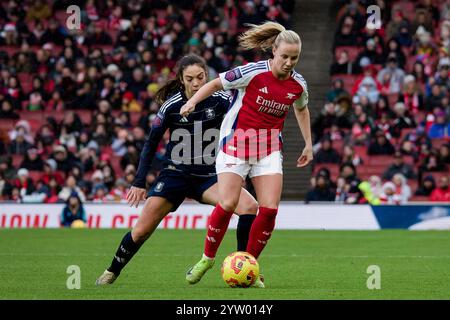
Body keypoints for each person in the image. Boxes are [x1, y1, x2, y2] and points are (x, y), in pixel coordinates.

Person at [95, 55, 258, 285]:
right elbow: (151, 143)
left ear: (207, 76)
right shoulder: (171, 106)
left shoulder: (221, 100)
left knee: (250, 207)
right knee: (141, 231)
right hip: (174, 175)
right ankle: (112, 271)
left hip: (210, 176)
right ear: (181, 79)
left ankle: (243, 265)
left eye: (200, 77)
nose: (196, 83)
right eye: (190, 79)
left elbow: (241, 126)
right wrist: (139, 181)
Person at [180, 22, 313, 288]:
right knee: (228, 203)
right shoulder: (252, 72)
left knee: (270, 209)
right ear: (273, 52)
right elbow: (217, 83)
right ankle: (207, 259)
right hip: (236, 145)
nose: (288, 63)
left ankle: (248, 265)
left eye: (294, 58)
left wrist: (309, 144)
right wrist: (192, 101)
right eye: (284, 56)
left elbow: (301, 109)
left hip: (268, 149)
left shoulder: (298, 84)